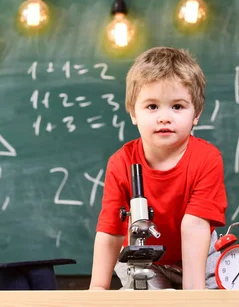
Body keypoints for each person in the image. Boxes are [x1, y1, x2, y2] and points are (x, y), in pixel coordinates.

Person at [89, 46, 228, 290]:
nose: (164, 117)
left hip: (200, 256)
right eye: (152, 106)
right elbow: (111, 230)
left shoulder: (207, 158)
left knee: (224, 291)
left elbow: (195, 226)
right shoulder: (120, 163)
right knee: (143, 299)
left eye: (177, 106)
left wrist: (194, 296)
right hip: (144, 257)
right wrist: (97, 289)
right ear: (133, 112)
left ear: (196, 113)